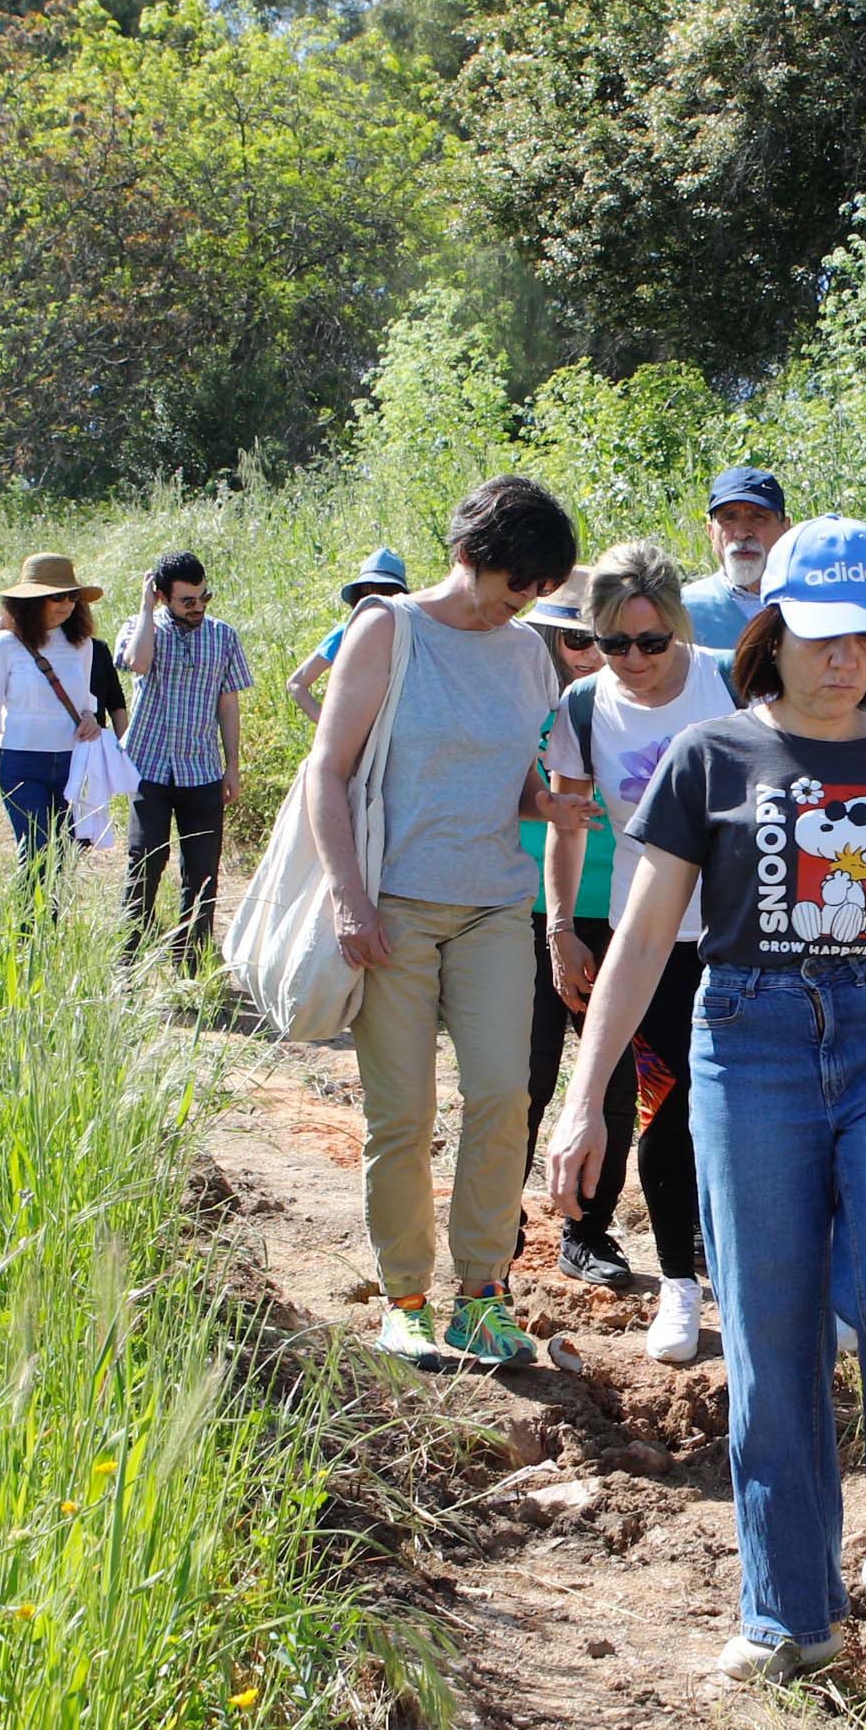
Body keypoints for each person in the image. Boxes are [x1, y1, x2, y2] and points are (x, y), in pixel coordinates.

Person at [547, 517, 866, 1674]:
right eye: (820, 630)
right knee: (769, 1327)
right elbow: (648, 933)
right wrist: (584, 1096)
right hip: (748, 1042)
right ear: (772, 630)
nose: (843, 654)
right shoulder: (710, 755)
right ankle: (788, 1610)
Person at [312, 480, 589, 1369]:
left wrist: (541, 800)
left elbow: (506, 766)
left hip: (496, 906)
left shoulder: (526, 654)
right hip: (395, 906)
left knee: (505, 1096)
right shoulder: (389, 630)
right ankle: (404, 1297)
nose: (528, 601)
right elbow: (329, 771)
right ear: (472, 555)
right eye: (518, 582)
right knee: (403, 1113)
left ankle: (483, 1293)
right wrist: (350, 897)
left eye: (541, 588)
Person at [542, 540, 735, 1361]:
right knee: (667, 1108)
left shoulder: (730, 679)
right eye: (613, 643)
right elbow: (571, 824)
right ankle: (680, 1287)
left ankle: (757, 1275)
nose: (633, 660)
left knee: (744, 1107)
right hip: (645, 938)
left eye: (651, 643)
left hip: (741, 934)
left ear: (680, 632)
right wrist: (560, 925)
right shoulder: (586, 708)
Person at [120, 549, 250, 965]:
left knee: (202, 871)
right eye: (186, 601)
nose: (197, 608)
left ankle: (190, 961)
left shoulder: (223, 636)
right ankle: (129, 957)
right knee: (146, 863)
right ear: (162, 597)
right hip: (149, 767)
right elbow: (138, 664)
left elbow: (228, 705)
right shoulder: (142, 629)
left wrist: (232, 766)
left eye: (203, 597)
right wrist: (145, 608)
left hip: (202, 770)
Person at [517, 593, 610, 1154]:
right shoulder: (517, 704)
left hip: (616, 907)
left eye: (608, 639)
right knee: (524, 1078)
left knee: (616, 1084)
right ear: (548, 639)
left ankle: (588, 1233)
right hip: (526, 908)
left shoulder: (632, 706)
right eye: (577, 639)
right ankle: (500, 1221)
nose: (592, 654)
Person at [0, 553, 111, 858]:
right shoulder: (4, 644)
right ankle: (30, 907)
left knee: (64, 855)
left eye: (71, 596)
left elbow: (83, 703)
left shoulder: (83, 644)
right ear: (32, 601)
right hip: (22, 761)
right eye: (56, 597)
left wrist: (90, 717)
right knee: (35, 852)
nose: (66, 604)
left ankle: (53, 908)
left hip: (71, 761)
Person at [684, 468, 788, 692]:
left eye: (758, 516)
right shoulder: (682, 612)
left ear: (785, 528)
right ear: (711, 532)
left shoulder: (810, 606)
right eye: (729, 518)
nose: (742, 532)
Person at [289, 550, 411, 720]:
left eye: (386, 592)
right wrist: (330, 728)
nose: (376, 599)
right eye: (367, 591)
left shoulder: (411, 637)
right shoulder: (345, 634)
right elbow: (297, 683)